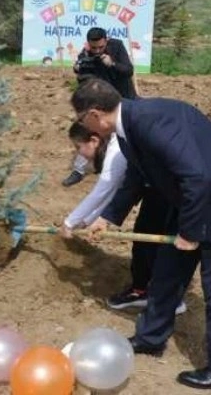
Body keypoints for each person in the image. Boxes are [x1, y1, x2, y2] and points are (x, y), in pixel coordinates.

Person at [72, 78, 211, 389]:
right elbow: (137, 175)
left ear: (95, 114)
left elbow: (195, 176)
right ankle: (151, 337)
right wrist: (108, 218)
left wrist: (190, 233)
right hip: (194, 201)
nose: (85, 126)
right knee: (166, 273)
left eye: (82, 120)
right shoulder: (130, 125)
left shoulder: (148, 122)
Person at [60, 122, 188, 314]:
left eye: (78, 147)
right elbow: (117, 194)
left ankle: (164, 298)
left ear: (94, 141)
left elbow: (103, 191)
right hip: (157, 184)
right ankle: (144, 290)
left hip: (172, 187)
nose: (80, 154)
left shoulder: (116, 151)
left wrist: (70, 222)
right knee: (144, 236)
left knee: (157, 242)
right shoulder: (119, 143)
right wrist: (88, 221)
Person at [62, 27, 137, 188]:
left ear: (106, 40)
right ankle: (78, 170)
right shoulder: (86, 54)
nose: (96, 51)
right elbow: (84, 81)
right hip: (100, 102)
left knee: (125, 137)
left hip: (123, 100)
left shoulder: (117, 46)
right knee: (86, 131)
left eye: (100, 47)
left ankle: (130, 171)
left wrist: (112, 64)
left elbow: (128, 71)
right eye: (93, 47)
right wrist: (78, 69)